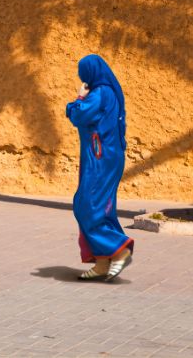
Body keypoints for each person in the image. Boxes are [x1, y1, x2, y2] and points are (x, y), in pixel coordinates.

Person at [65, 54, 134, 281]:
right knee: (100, 207)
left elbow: (79, 114)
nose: (81, 76)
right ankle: (102, 262)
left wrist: (78, 98)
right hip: (103, 156)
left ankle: (119, 248)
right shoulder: (108, 92)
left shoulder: (99, 93)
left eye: (83, 71)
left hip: (99, 157)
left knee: (86, 205)